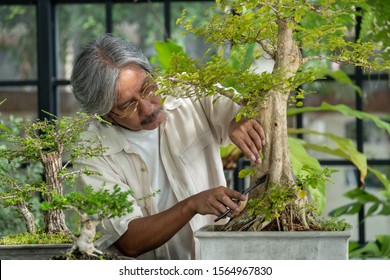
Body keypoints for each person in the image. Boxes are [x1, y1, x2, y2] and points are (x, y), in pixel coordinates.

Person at [71, 34, 265, 260]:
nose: (147, 107)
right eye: (127, 106)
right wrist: (191, 205)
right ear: (104, 115)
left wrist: (238, 120)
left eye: (146, 88)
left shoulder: (189, 91)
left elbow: (241, 109)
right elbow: (128, 241)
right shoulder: (90, 152)